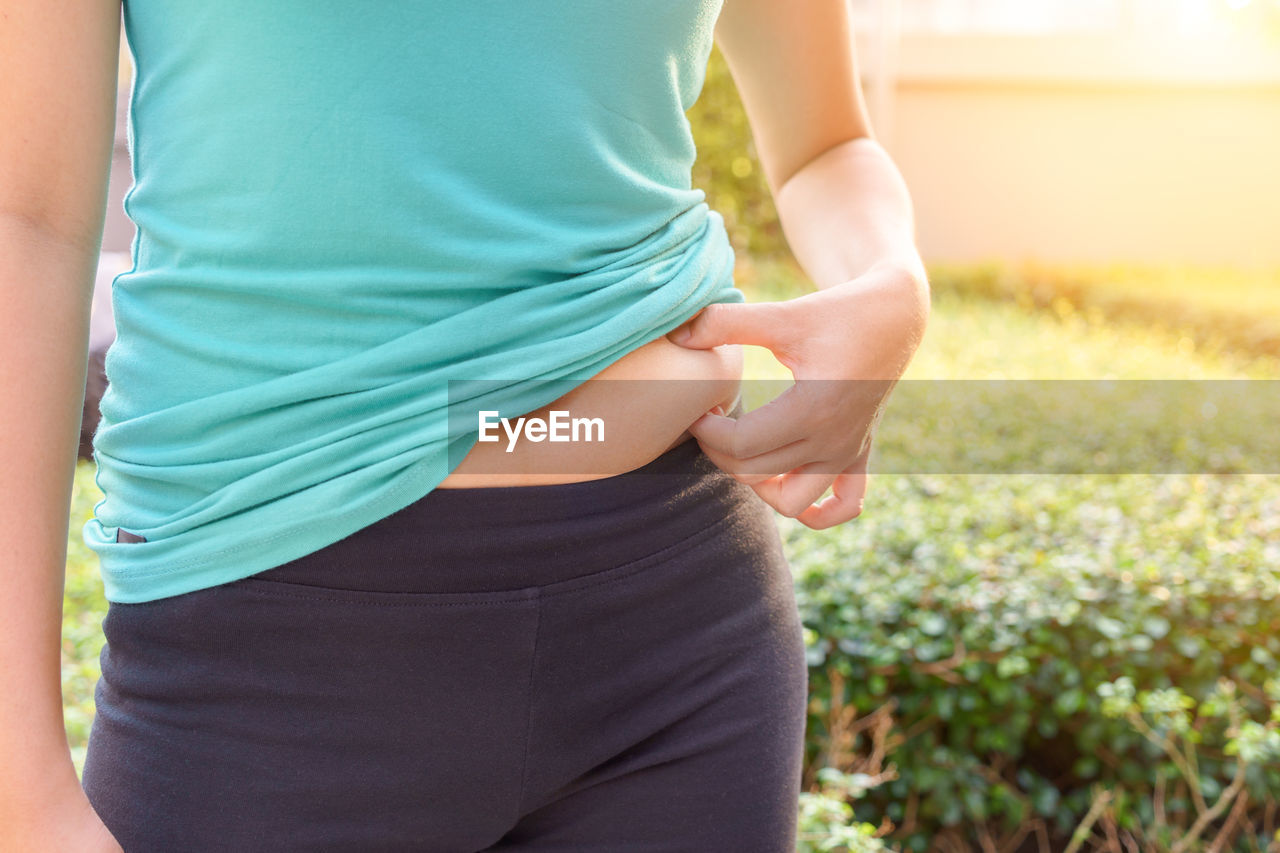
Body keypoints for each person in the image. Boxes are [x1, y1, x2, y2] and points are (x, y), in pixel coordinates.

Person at [0, 0, 929, 850]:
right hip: (264, 647)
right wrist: (23, 790)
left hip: (679, 638)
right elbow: (26, 218)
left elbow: (824, 145)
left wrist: (891, 288)